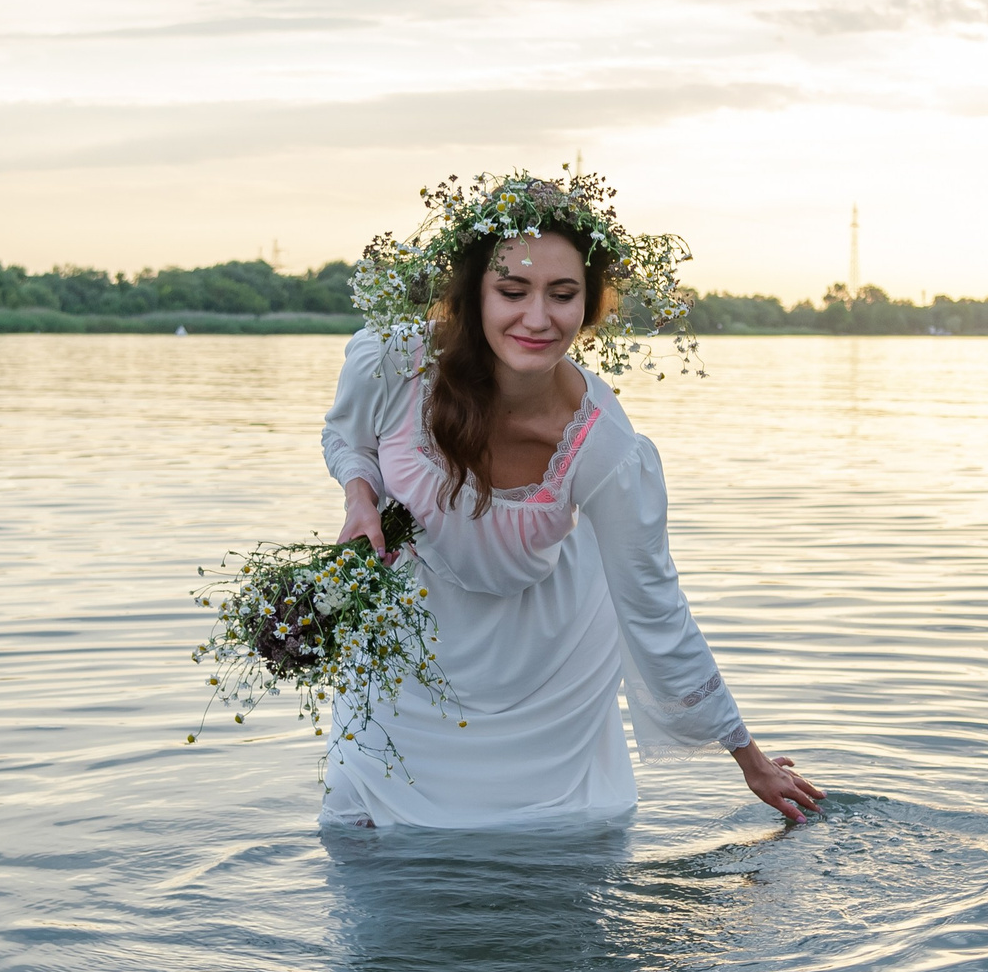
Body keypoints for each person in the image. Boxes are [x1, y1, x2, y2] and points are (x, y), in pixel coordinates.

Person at [317, 173, 824, 831]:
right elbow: (347, 438)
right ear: (474, 292)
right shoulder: (391, 362)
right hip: (412, 641)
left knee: (558, 840)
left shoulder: (602, 443)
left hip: (548, 663)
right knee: (360, 831)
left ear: (589, 305)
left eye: (562, 294)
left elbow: (654, 603)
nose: (537, 318)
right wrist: (360, 499)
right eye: (512, 291)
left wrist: (748, 758)